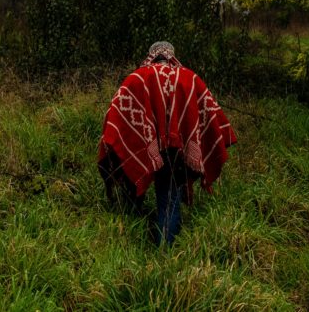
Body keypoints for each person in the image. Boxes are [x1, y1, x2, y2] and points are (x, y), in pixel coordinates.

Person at [98, 41, 237, 245]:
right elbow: (210, 114)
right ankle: (165, 249)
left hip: (142, 147)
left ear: (152, 55)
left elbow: (115, 115)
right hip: (177, 150)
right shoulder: (190, 78)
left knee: (133, 184)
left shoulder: (137, 78)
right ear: (172, 55)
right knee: (169, 199)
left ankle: (131, 239)